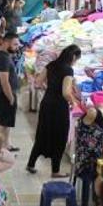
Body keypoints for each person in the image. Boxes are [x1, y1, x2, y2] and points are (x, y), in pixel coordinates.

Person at [26, 45, 82, 177]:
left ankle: (31, 163)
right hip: (59, 107)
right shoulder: (68, 70)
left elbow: (38, 82)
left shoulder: (51, 64)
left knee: (42, 134)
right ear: (73, 57)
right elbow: (65, 92)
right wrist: (73, 102)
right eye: (77, 59)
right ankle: (55, 171)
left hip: (46, 103)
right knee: (59, 137)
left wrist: (50, 87)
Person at [0, 32, 21, 151]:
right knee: (3, 123)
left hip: (2, 93)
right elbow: (4, 81)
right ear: (6, 42)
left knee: (7, 122)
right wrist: (10, 97)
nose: (17, 47)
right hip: (4, 94)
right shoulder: (3, 58)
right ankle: (0, 147)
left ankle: (6, 144)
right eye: (15, 44)